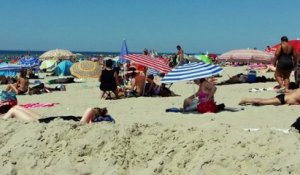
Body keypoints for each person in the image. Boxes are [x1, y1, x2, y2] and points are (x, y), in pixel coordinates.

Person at [1, 105, 115, 124]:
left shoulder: (82, 124)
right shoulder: (79, 119)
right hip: (45, 119)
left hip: (39, 123)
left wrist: (90, 120)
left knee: (13, 111)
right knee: (17, 107)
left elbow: (90, 110)